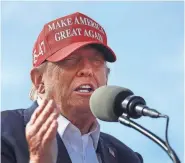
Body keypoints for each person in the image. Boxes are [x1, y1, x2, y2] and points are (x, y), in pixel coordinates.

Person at [1, 12, 143, 163]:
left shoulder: (126, 157)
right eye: (71, 59)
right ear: (39, 80)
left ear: (106, 78)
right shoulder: (5, 132)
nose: (87, 70)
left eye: (96, 60)